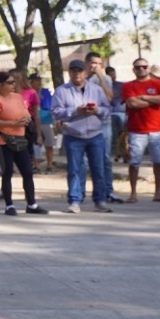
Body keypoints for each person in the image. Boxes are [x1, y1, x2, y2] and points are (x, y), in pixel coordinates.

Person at [52, 58, 112, 215]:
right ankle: (74, 200)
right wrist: (74, 111)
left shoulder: (96, 90)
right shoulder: (62, 91)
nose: (77, 74)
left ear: (85, 73)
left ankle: (100, 200)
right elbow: (56, 112)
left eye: (79, 71)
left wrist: (97, 110)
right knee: (75, 169)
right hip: (73, 135)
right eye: (73, 71)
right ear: (69, 73)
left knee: (98, 168)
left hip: (95, 134)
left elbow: (107, 110)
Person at [0, 71, 46, 215]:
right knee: (7, 172)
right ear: (0, 85)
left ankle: (31, 204)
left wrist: (25, 119)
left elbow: (25, 111)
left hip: (19, 139)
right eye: (10, 82)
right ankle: (9, 205)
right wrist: (12, 123)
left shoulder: (17, 97)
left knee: (27, 171)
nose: (14, 85)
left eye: (14, 82)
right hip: (3, 140)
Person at [121, 57, 160, 203]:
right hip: (137, 130)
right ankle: (133, 194)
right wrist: (155, 99)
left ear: (148, 68)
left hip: (157, 129)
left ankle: (158, 193)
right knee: (134, 162)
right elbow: (132, 103)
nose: (141, 69)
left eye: (144, 66)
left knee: (158, 161)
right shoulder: (128, 86)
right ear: (133, 70)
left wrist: (144, 97)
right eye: (138, 67)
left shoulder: (158, 84)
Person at [84, 53, 121, 205]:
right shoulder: (81, 79)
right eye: (93, 63)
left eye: (99, 64)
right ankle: (82, 192)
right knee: (85, 161)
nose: (95, 66)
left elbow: (110, 97)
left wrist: (100, 78)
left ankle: (108, 191)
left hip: (103, 122)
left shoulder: (105, 79)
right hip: (85, 123)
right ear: (87, 63)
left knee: (105, 158)